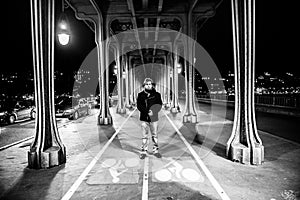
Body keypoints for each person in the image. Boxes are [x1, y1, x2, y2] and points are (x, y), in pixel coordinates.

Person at [137, 78, 163, 159]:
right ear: (144, 85)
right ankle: (143, 151)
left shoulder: (157, 95)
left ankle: (156, 151)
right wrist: (147, 111)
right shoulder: (140, 95)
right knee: (144, 136)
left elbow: (159, 105)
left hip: (154, 118)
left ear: (152, 85)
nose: (148, 85)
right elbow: (139, 106)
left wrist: (153, 112)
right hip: (144, 118)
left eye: (150, 84)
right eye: (147, 84)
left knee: (154, 135)